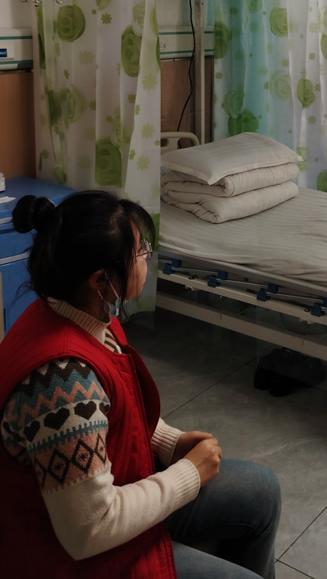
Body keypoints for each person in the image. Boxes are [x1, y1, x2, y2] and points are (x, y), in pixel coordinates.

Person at [0, 191, 281, 579]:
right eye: (139, 253)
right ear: (101, 280)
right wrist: (188, 475)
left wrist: (166, 441)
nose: (147, 257)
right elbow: (89, 530)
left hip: (101, 511)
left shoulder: (79, 315)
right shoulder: (62, 383)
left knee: (260, 490)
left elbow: (112, 409)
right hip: (70, 558)